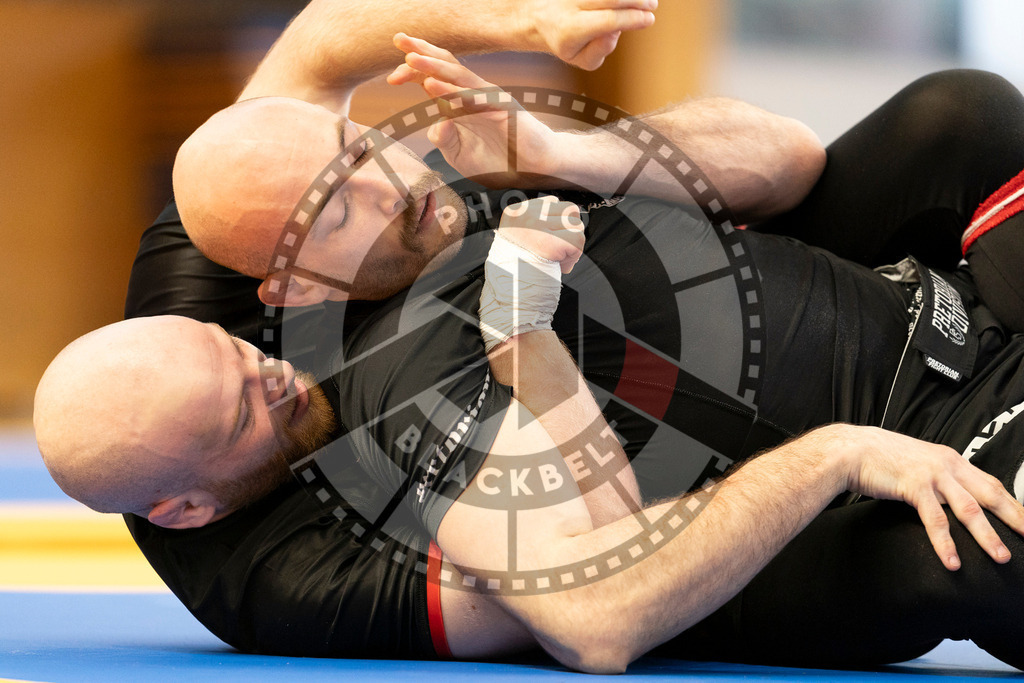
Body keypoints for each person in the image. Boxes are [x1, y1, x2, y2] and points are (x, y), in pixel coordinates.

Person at [44, 0, 1024, 671]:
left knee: (959, 118)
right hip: (799, 483)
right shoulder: (305, 558)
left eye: (363, 155)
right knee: (982, 540)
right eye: (243, 401)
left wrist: (544, 79)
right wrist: (833, 456)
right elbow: (597, 600)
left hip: (874, 305)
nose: (270, 369)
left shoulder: (216, 267)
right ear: (181, 505)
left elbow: (320, 34)